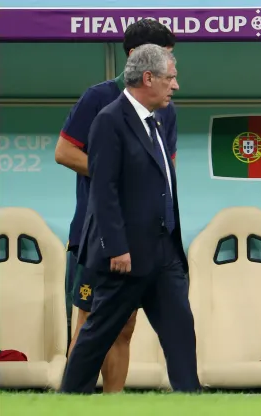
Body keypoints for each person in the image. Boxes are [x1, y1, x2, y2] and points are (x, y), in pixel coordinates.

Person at [60, 44, 200, 394]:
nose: (176, 86)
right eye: (170, 78)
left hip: (163, 253)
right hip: (126, 255)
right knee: (98, 333)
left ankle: (192, 398)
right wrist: (116, 247)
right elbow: (103, 190)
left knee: (181, 330)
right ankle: (68, 397)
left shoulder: (158, 120)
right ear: (148, 77)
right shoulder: (110, 119)